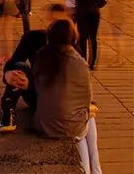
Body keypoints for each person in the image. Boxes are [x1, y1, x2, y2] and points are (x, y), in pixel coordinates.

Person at [30, 19, 102, 174]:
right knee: (89, 118)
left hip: (43, 123)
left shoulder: (41, 57)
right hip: (68, 126)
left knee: (83, 117)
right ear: (73, 38)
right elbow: (86, 99)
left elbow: (37, 87)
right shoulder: (78, 63)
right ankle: (92, 170)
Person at [0, 3, 72, 132]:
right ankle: (8, 111)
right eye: (54, 21)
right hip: (33, 94)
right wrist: (7, 74)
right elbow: (13, 62)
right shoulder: (33, 38)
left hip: (55, 100)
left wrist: (30, 85)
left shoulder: (71, 46)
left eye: (60, 22)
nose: (56, 26)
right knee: (19, 67)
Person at [70, 0, 106, 69]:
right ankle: (93, 62)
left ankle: (83, 61)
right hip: (94, 11)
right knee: (93, 37)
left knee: (83, 37)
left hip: (82, 10)